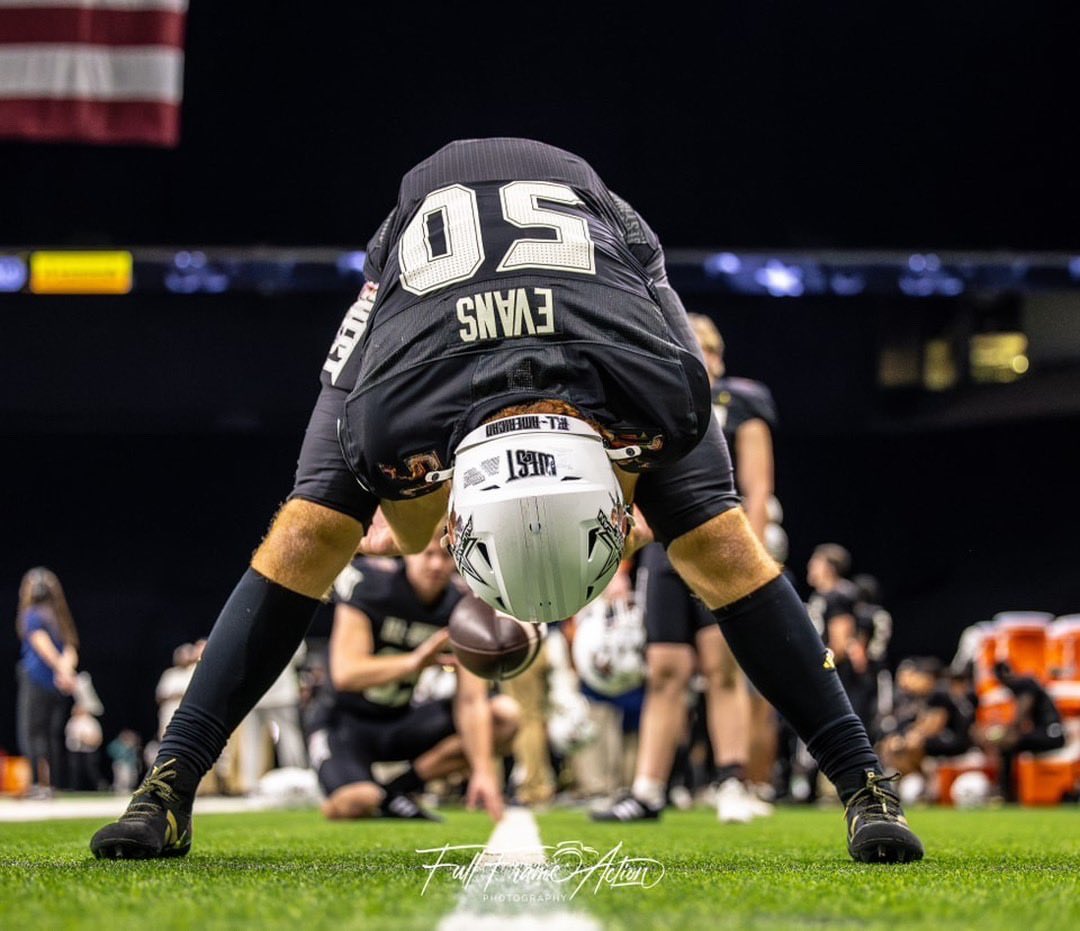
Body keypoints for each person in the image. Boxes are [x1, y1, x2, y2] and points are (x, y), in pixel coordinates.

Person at [91, 137, 923, 863]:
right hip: (424, 276)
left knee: (723, 544)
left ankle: (864, 781)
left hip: (598, 241)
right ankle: (168, 782)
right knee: (307, 531)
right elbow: (413, 534)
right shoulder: (392, 412)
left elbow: (434, 527)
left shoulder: (661, 385)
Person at [593, 314, 779, 823]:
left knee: (721, 668)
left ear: (717, 356)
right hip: (665, 548)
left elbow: (758, 487)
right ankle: (648, 788)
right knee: (664, 669)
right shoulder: (656, 405)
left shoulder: (740, 403)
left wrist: (750, 554)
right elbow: (632, 490)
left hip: (721, 544)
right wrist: (618, 568)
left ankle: (733, 781)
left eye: (705, 348)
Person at [310, 539, 518, 820]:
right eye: (427, 553)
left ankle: (397, 789)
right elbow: (346, 674)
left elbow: (471, 699)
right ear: (407, 552)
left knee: (504, 716)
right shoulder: (372, 585)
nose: (437, 564)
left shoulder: (462, 605)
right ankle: (370, 792)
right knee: (358, 801)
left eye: (446, 555)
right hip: (344, 723)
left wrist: (483, 771)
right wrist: (416, 661)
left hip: (400, 719)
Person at [16, 567, 80, 796]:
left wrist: (61, 670)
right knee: (51, 734)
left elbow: (42, 645)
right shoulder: (59, 618)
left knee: (32, 732)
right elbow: (70, 648)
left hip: (37, 679)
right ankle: (51, 784)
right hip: (57, 683)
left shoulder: (31, 614)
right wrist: (66, 673)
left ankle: (38, 784)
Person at [976, 661, 1065, 802]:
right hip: (1047, 732)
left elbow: (1020, 716)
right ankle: (1007, 791)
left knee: (1007, 744)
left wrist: (998, 735)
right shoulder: (1022, 685)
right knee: (1008, 746)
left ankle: (1005, 793)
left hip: (1051, 733)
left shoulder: (1024, 684)